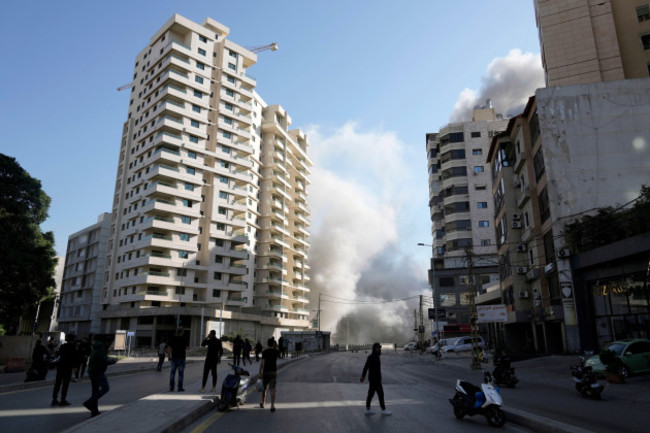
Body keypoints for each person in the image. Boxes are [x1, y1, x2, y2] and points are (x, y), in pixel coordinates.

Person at [83, 335, 117, 417]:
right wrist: (113, 361)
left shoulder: (97, 347)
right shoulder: (101, 348)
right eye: (111, 343)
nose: (111, 345)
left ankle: (94, 411)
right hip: (97, 371)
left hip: (93, 371)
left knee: (95, 391)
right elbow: (103, 361)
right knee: (105, 388)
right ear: (107, 342)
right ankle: (89, 402)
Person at [360, 342, 391, 416]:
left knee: (371, 394)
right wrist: (363, 376)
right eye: (377, 348)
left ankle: (368, 409)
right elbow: (366, 367)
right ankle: (383, 409)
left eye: (379, 348)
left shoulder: (377, 356)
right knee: (380, 394)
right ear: (374, 349)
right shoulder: (371, 357)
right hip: (374, 379)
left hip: (375, 379)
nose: (379, 349)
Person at [52, 336, 77, 406]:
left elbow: (59, 354)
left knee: (58, 383)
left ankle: (54, 399)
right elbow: (74, 357)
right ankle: (63, 399)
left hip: (61, 366)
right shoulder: (73, 347)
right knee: (65, 384)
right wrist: (75, 366)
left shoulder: (62, 346)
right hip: (68, 367)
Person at [259, 337, 280, 412]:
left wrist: (259, 372)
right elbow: (277, 359)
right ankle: (272, 405)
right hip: (273, 371)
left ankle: (263, 402)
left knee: (264, 388)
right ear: (273, 344)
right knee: (272, 388)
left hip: (265, 371)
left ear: (267, 344)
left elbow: (262, 363)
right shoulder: (276, 352)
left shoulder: (264, 352)